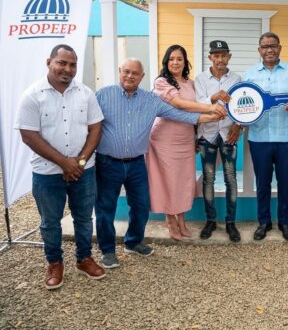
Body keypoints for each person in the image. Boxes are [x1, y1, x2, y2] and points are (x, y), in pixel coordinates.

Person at [95, 58, 224, 269]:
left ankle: (133, 242)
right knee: (105, 207)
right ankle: (107, 251)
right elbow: (89, 123)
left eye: (135, 73)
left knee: (141, 205)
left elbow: (178, 114)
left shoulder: (151, 100)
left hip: (137, 163)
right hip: (108, 163)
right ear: (120, 71)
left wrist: (210, 116)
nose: (130, 76)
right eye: (126, 71)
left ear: (142, 76)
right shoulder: (102, 95)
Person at [15, 44, 105, 289]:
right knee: (50, 222)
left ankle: (84, 258)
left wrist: (80, 162)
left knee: (84, 218)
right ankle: (54, 262)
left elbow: (96, 128)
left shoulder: (86, 93)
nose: (67, 69)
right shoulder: (32, 95)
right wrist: (64, 163)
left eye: (72, 64)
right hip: (47, 173)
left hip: (83, 171)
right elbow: (28, 135)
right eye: (62, 63)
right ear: (49, 62)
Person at [146, 45, 224, 241]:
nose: (175, 62)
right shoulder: (161, 82)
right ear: (166, 62)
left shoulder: (191, 83)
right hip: (164, 139)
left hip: (186, 137)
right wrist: (210, 109)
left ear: (185, 62)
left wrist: (199, 131)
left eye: (179, 59)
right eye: (171, 59)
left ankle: (181, 219)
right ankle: (170, 220)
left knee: (184, 180)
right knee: (168, 180)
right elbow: (179, 104)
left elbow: (195, 107)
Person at [244, 32, 288, 241]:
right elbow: (243, 104)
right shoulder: (249, 75)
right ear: (259, 50)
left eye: (273, 46)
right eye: (265, 46)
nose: (269, 50)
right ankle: (264, 222)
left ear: (280, 48)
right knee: (262, 183)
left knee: (285, 183)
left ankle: (284, 222)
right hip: (259, 138)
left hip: (287, 138)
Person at [195, 40, 242, 242]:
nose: (220, 59)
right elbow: (197, 105)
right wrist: (213, 97)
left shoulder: (237, 79)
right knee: (208, 178)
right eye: (216, 55)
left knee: (231, 178)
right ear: (210, 58)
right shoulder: (200, 79)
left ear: (229, 57)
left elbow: (242, 106)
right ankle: (211, 220)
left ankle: (231, 223)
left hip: (228, 134)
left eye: (223, 55)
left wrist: (238, 125)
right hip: (207, 135)